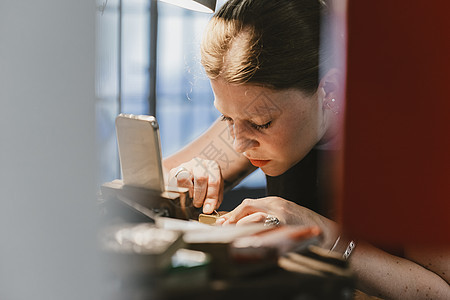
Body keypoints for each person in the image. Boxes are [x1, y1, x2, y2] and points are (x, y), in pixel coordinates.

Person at [162, 0, 450, 298]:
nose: (238, 142)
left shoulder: (406, 149)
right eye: (227, 117)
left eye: (261, 123)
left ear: (330, 92)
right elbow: (157, 175)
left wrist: (322, 233)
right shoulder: (250, 119)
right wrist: (184, 179)